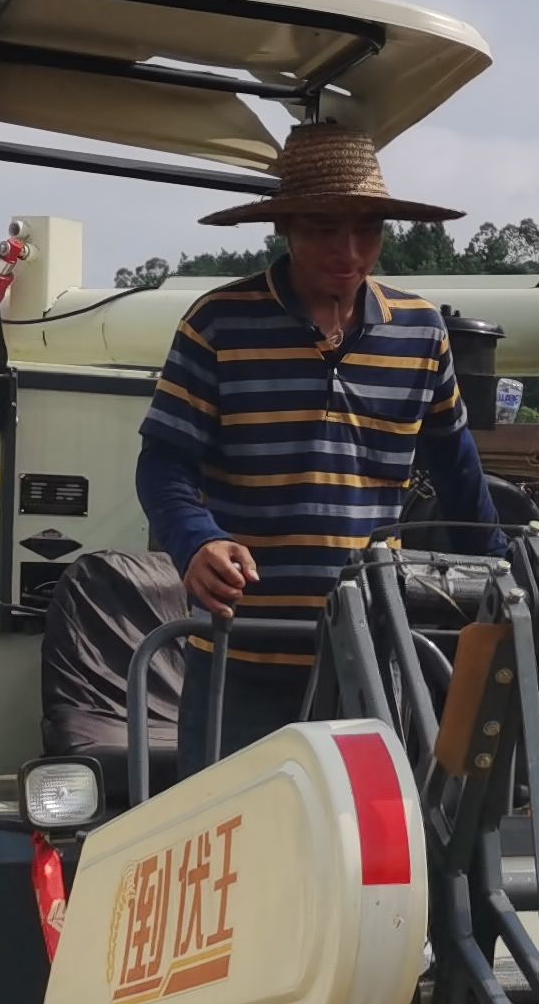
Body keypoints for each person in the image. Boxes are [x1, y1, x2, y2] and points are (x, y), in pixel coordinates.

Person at [134, 120, 497, 757]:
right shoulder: (218, 324)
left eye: (366, 231)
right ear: (285, 228)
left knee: (362, 845)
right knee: (232, 846)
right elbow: (163, 465)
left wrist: (502, 577)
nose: (349, 251)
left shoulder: (421, 332)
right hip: (239, 652)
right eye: (325, 230)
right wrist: (197, 543)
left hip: (369, 650)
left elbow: (459, 472)